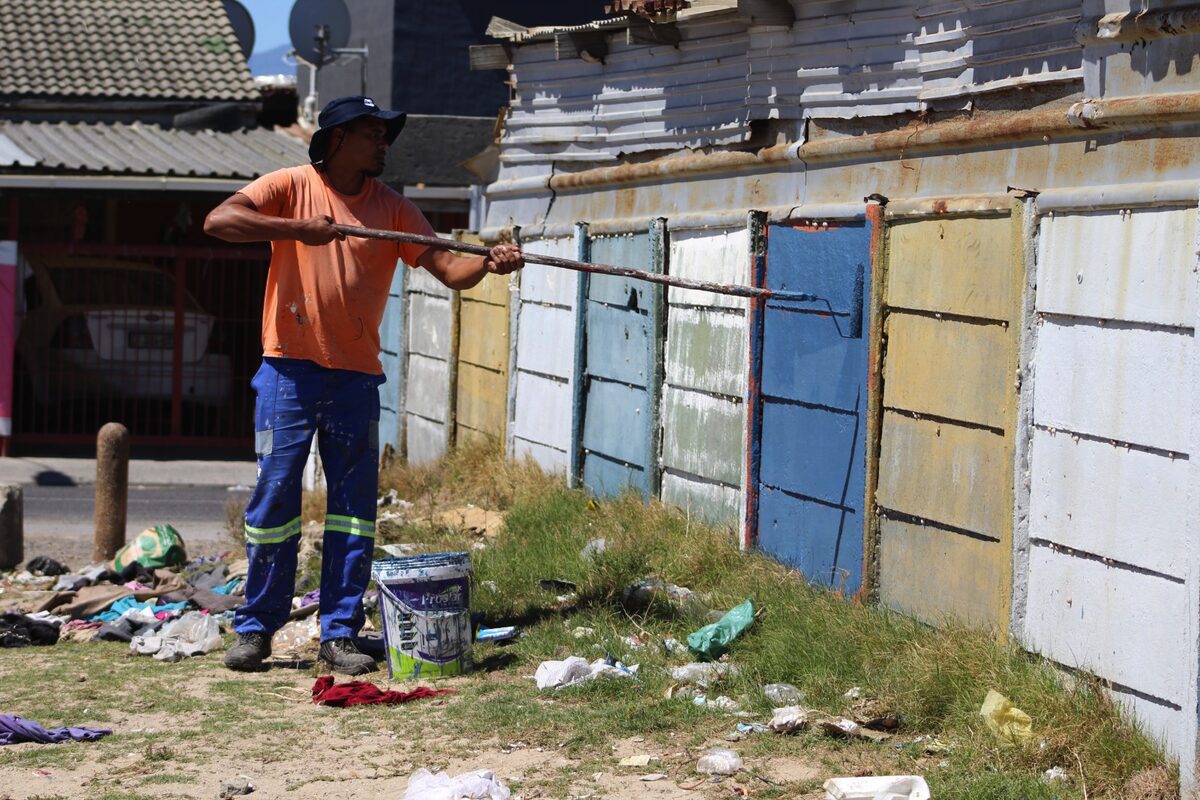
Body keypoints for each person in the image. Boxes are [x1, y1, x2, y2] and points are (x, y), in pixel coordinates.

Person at [203, 95, 523, 674]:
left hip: (354, 378)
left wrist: (489, 262)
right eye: (372, 134)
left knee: (353, 510)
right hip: (287, 371)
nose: (384, 145)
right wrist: (299, 229)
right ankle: (255, 628)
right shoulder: (291, 185)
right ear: (337, 139)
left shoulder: (394, 209)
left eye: (385, 135)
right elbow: (220, 221)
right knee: (275, 499)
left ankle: (340, 633)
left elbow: (451, 270)